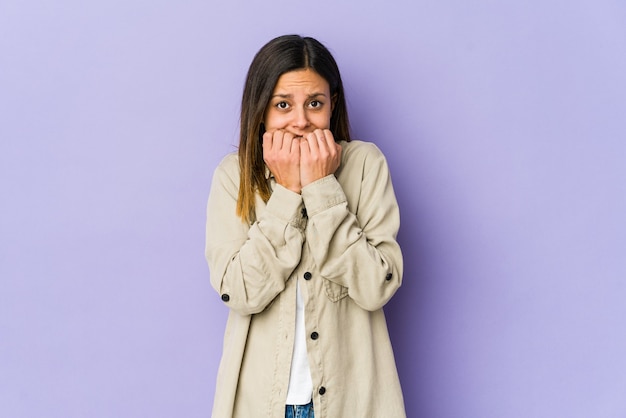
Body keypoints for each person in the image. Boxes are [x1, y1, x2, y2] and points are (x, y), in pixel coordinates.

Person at [205, 34, 406, 418]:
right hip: (259, 402)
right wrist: (288, 192)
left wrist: (320, 188)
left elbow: (376, 286)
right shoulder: (234, 176)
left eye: (315, 103)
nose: (301, 121)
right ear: (261, 110)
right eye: (284, 105)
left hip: (353, 401)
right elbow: (239, 290)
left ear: (333, 105)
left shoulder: (365, 165)